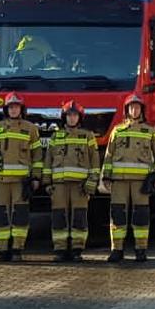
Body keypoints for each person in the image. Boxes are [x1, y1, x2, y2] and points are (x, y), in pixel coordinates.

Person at [102, 94, 155, 263]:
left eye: (137, 107)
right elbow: (109, 155)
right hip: (119, 181)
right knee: (117, 215)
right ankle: (117, 250)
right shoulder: (117, 131)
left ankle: (140, 250)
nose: (134, 110)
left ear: (142, 110)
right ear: (126, 110)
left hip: (141, 183)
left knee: (141, 216)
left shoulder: (151, 132)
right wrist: (106, 176)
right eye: (131, 107)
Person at [0, 94, 42, 262]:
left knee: (20, 216)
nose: (13, 109)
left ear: (22, 109)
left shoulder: (30, 129)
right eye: (11, 107)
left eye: (16, 106)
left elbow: (37, 156)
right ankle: (1, 250)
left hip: (21, 182)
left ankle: (17, 249)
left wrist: (36, 178)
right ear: (6, 109)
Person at [43, 101, 101, 262]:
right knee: (59, 217)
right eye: (69, 115)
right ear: (64, 117)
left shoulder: (88, 136)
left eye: (75, 115)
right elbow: (48, 162)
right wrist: (47, 183)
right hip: (59, 185)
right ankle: (60, 250)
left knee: (79, 217)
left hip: (80, 187)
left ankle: (77, 250)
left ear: (80, 117)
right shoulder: (56, 137)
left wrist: (91, 183)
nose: (72, 118)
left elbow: (95, 162)